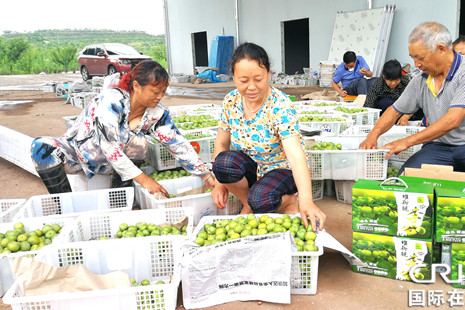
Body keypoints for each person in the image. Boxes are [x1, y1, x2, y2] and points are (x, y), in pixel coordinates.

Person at [359, 22, 465, 188]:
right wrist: (373, 135)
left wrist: (406, 142)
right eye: (412, 57)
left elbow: (452, 120)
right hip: (441, 146)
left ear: (441, 49)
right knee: (407, 179)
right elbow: (394, 111)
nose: (416, 64)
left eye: (420, 57)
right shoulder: (421, 80)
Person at [30, 60, 216, 196]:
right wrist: (145, 180)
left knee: (139, 144)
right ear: (136, 86)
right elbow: (109, 146)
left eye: (163, 92)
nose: (159, 96)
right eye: (155, 91)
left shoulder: (157, 114)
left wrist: (206, 175)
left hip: (109, 166)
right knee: (41, 147)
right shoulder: (112, 100)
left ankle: (121, 198)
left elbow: (178, 144)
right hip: (76, 154)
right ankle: (64, 203)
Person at [210, 42, 326, 230]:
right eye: (243, 80)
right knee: (222, 164)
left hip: (282, 169)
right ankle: (248, 202)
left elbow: (296, 157)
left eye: (258, 79)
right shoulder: (230, 101)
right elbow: (221, 144)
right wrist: (219, 184)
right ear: (233, 77)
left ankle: (288, 202)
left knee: (261, 200)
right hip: (253, 168)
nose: (252, 87)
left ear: (269, 74)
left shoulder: (280, 105)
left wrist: (307, 200)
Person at [363, 59, 423, 125]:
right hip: (385, 112)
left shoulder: (405, 82)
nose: (393, 83)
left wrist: (406, 116)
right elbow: (368, 105)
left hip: (403, 111)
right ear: (384, 76)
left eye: (397, 80)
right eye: (390, 80)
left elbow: (415, 100)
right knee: (387, 102)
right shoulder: (377, 85)